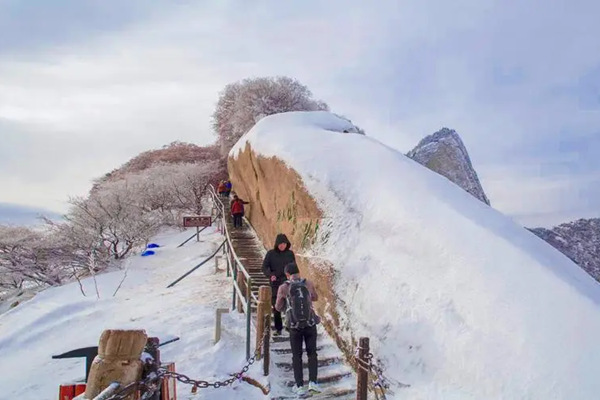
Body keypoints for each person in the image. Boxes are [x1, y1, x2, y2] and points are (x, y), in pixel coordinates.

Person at [275, 262, 321, 396]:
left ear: (287, 274)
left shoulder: (284, 287)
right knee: (312, 354)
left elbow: (278, 307)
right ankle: (313, 382)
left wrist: (287, 307)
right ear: (298, 272)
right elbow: (315, 298)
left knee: (297, 356)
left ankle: (300, 386)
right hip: (310, 324)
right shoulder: (308, 283)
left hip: (295, 327)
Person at [262, 233, 295, 335]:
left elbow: (293, 267)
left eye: (284, 244)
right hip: (275, 283)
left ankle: (290, 325)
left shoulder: (290, 254)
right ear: (277, 244)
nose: (282, 246)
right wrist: (270, 275)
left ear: (287, 244)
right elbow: (264, 267)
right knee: (276, 306)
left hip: (287, 283)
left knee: (290, 304)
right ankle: (278, 328)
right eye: (280, 244)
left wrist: (292, 276)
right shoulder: (270, 254)